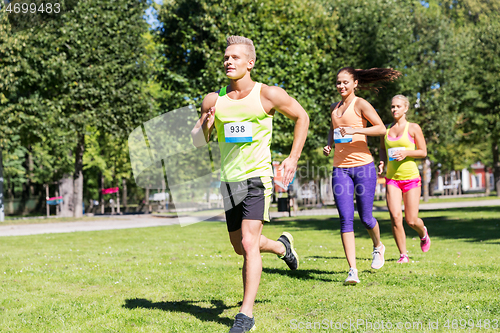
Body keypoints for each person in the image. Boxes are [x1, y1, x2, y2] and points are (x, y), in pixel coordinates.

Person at [191, 35, 309, 333]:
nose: (228, 62)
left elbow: (302, 117)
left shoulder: (267, 94)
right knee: (240, 247)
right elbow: (195, 141)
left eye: (235, 58)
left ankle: (246, 315)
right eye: (226, 58)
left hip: (257, 177)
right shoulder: (213, 99)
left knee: (247, 241)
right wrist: (205, 125)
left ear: (250, 63)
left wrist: (293, 158)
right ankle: (283, 248)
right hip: (228, 180)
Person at [323, 67, 401, 285]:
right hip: (340, 169)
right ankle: (352, 270)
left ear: (355, 83)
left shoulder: (361, 104)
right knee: (345, 218)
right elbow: (334, 128)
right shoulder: (334, 107)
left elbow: (381, 129)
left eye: (345, 82)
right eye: (338, 82)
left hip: (363, 167)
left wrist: (356, 131)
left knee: (366, 217)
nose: (341, 86)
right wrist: (329, 144)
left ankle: (378, 246)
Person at [378, 95, 430, 264]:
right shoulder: (385, 130)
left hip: (411, 179)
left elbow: (423, 152)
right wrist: (381, 162)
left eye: (398, 107)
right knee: (394, 217)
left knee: (411, 220)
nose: (395, 110)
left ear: (406, 108)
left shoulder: (413, 128)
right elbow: (382, 149)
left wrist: (407, 152)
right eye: (393, 107)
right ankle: (403, 255)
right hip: (392, 179)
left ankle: (423, 233)